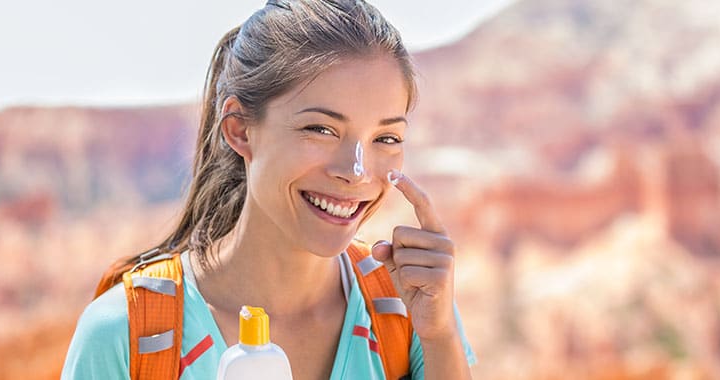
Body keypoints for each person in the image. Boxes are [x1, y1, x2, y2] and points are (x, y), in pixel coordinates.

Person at [61, 0, 476, 378]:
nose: (355, 171)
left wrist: (439, 336)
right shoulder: (123, 335)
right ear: (240, 130)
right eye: (321, 129)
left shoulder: (412, 312)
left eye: (386, 138)